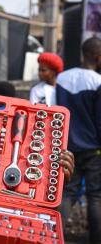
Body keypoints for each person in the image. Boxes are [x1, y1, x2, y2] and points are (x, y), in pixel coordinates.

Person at [57, 36, 101, 244]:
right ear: (97, 56)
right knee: (96, 196)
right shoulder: (98, 81)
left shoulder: (62, 78)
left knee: (66, 194)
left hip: (69, 149)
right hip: (94, 149)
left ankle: (56, 237)